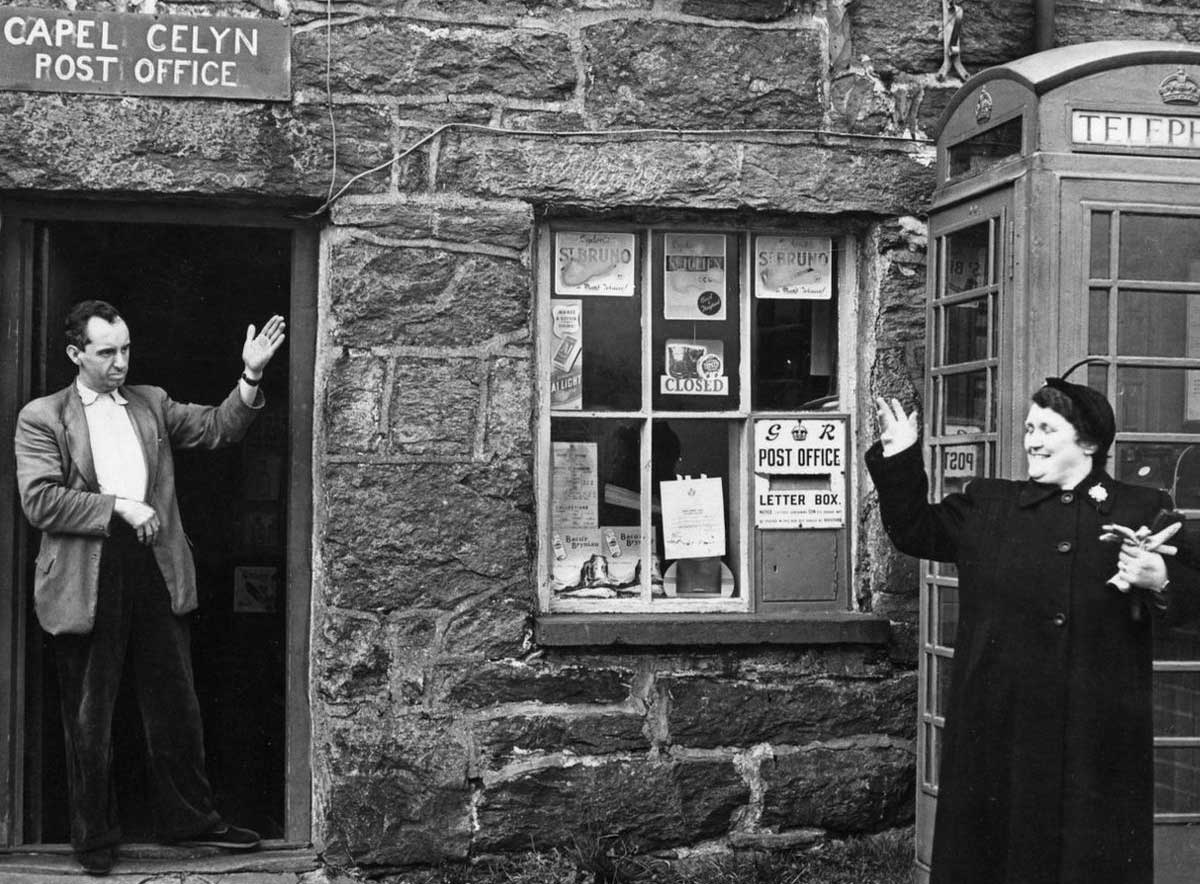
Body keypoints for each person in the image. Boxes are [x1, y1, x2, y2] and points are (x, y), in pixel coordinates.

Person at [867, 376, 1199, 884]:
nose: (1031, 440)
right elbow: (913, 529)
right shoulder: (989, 504)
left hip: (1097, 728)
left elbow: (1192, 595)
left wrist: (1161, 578)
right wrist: (902, 457)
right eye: (1028, 427)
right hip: (1000, 719)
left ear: (1088, 441)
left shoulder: (1141, 509)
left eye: (1047, 428)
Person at [14, 300, 286, 876]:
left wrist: (251, 375)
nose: (120, 363)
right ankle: (94, 840)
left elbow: (217, 429)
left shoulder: (151, 402)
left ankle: (190, 820)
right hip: (87, 576)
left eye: (126, 349)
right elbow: (39, 500)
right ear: (76, 354)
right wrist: (122, 508)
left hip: (155, 570)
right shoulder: (42, 416)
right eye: (107, 352)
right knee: (90, 715)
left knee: (175, 704)